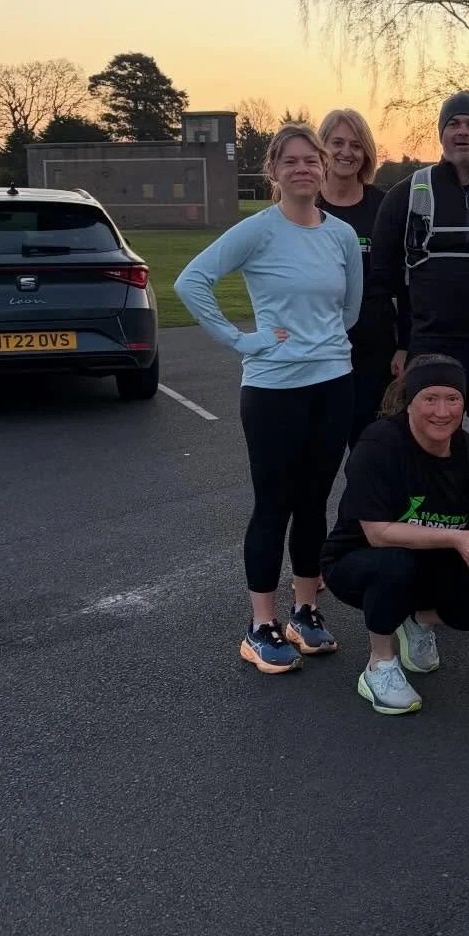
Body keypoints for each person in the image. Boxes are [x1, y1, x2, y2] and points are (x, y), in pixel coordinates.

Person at [175, 124, 363, 672]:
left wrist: (322, 344)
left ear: (324, 169)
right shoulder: (257, 230)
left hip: (333, 382)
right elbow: (192, 281)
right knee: (274, 504)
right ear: (274, 172)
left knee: (314, 502)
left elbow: (349, 310)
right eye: (292, 162)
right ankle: (261, 623)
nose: (304, 169)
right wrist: (241, 339)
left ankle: (306, 612)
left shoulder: (342, 235)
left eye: (313, 161)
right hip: (273, 387)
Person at [369, 91, 469, 538]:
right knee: (429, 456)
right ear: (441, 132)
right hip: (430, 351)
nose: (463, 132)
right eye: (453, 123)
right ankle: (434, 555)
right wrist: (400, 343)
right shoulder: (409, 192)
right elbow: (383, 278)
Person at [320, 354, 469, 715]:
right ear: (410, 402)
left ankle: (416, 618)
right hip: (356, 562)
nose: (442, 411)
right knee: (395, 565)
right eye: (430, 399)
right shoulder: (379, 445)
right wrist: (456, 540)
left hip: (430, 561)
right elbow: (377, 534)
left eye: (453, 399)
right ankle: (380, 663)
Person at [317, 107, 393, 446]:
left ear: (366, 154)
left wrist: (404, 346)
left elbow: (405, 283)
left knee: (369, 451)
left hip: (374, 349)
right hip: (318, 346)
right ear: (322, 147)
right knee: (317, 454)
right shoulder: (306, 204)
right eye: (337, 142)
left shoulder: (385, 206)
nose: (346, 152)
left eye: (356, 145)